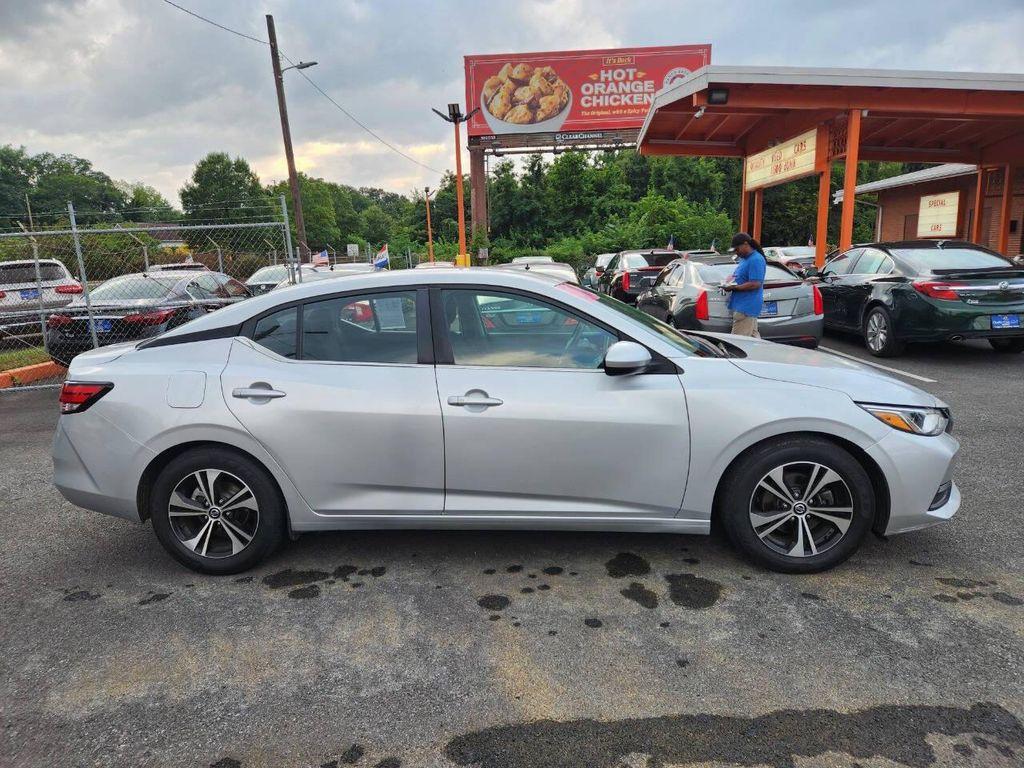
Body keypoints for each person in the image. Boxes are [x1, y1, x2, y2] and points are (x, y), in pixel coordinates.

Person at [722, 232, 766, 338]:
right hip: (741, 305)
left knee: (737, 342)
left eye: (737, 249)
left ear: (746, 244)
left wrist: (734, 287)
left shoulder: (756, 259)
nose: (736, 253)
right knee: (753, 339)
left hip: (746, 307)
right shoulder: (744, 259)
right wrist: (728, 281)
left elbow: (755, 284)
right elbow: (738, 276)